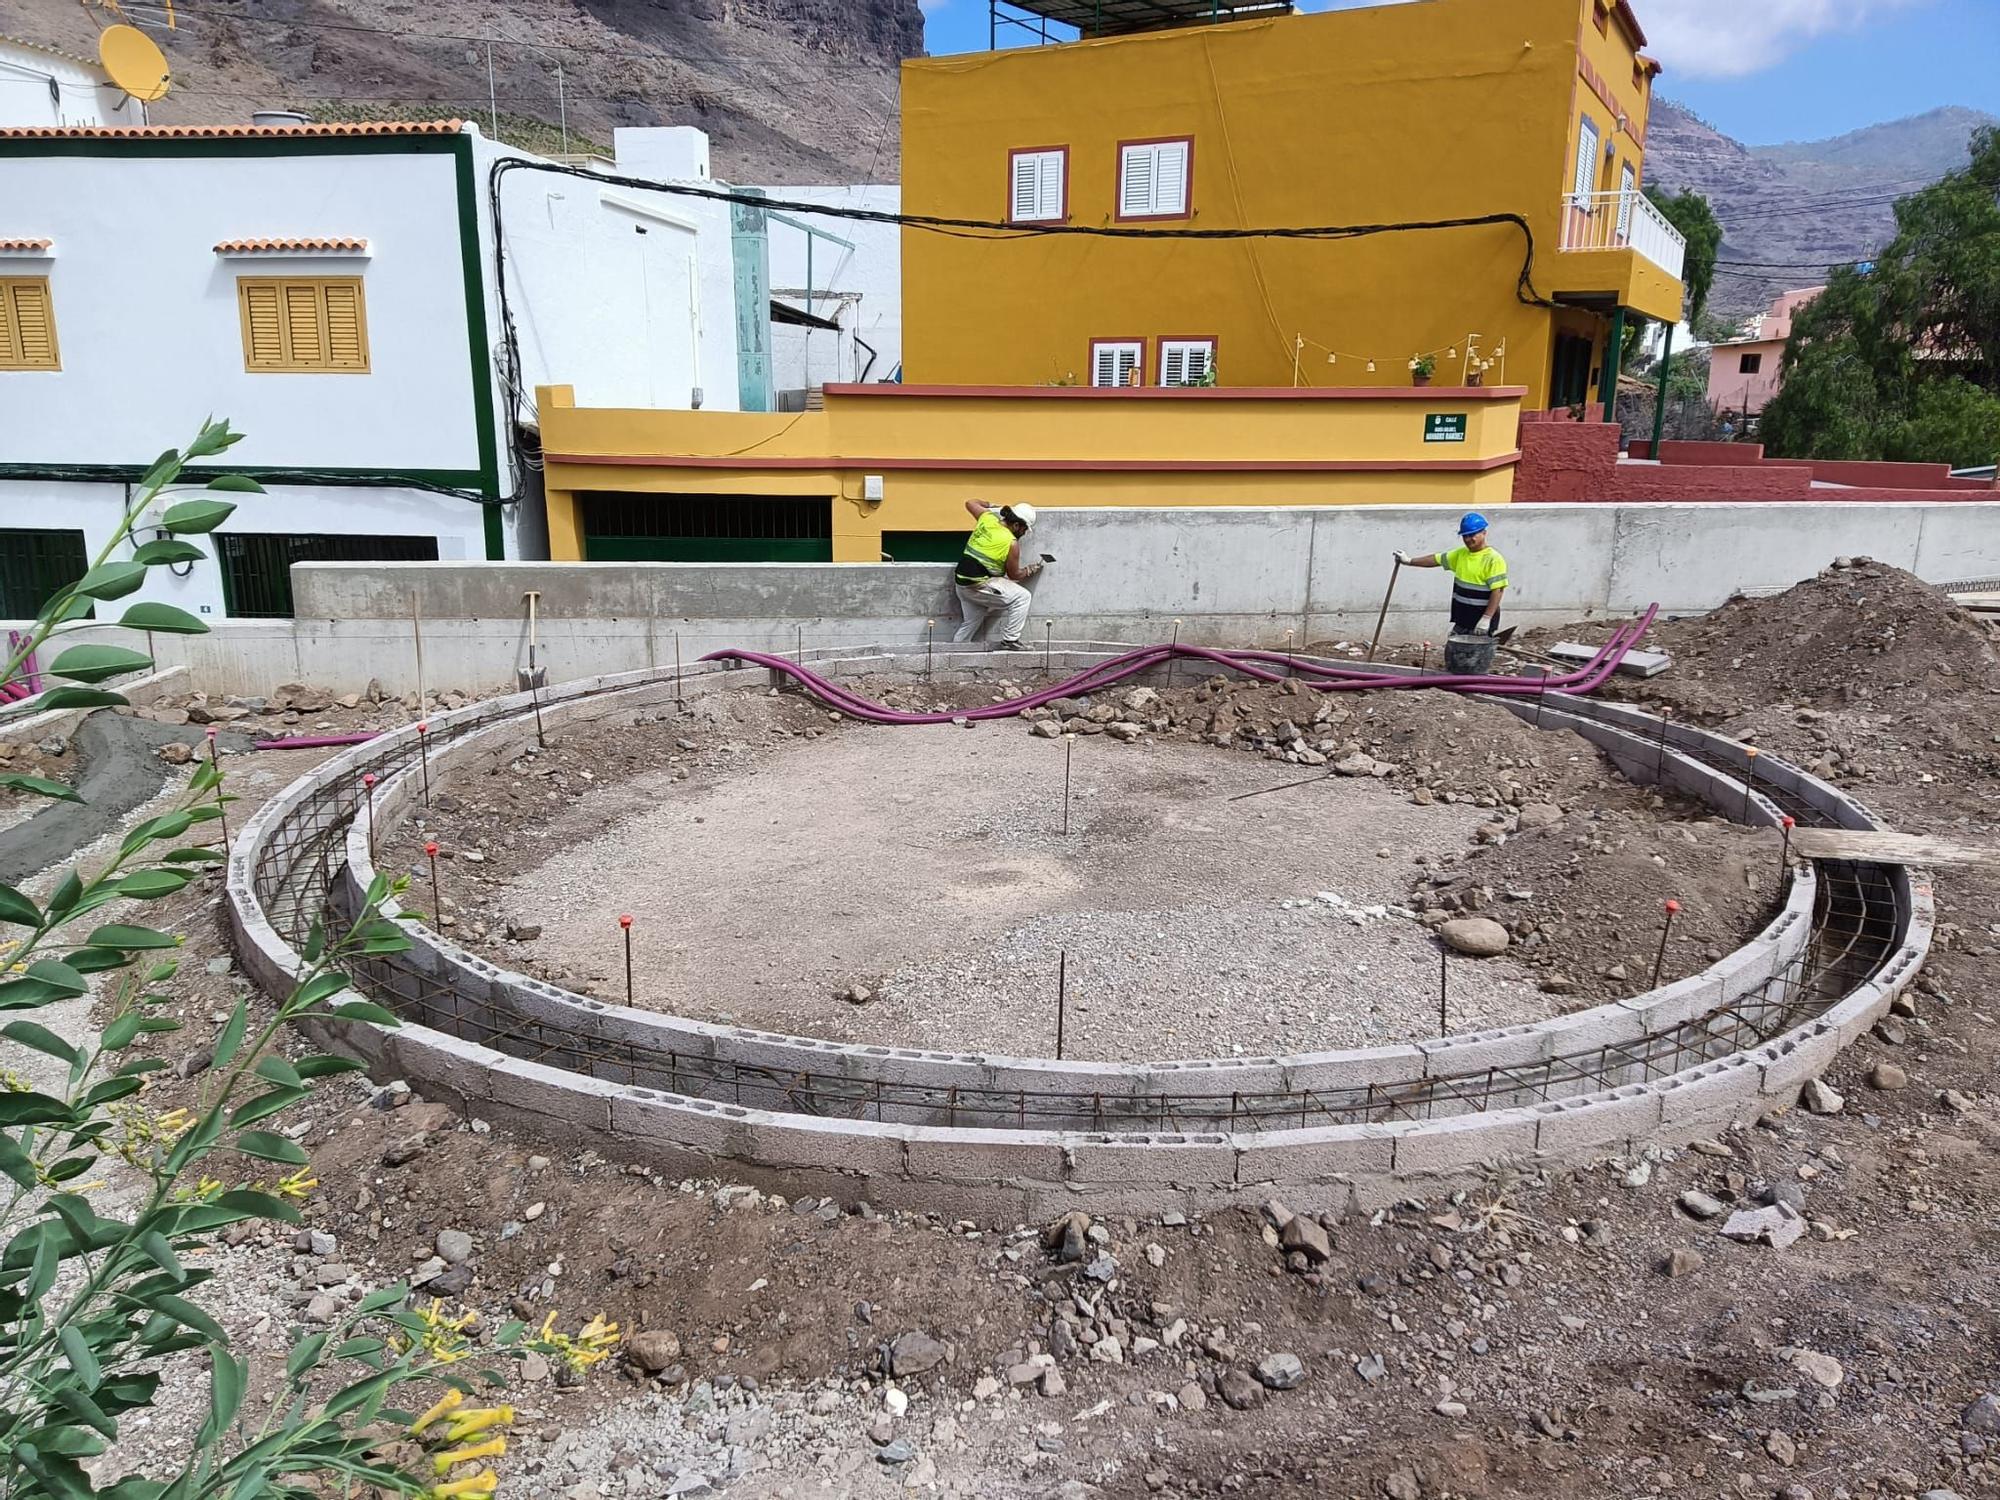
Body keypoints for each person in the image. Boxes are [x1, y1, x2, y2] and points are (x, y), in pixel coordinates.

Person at [1395, 512, 1508, 636]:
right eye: (1465, 536)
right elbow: (1436, 559)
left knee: (1475, 654)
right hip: (1463, 618)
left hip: (1480, 621)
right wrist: (1409, 561)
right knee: (1455, 652)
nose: (1468, 539)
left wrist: (1486, 618)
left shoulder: (1493, 559)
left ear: (1484, 533)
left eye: (1472, 535)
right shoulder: (1461, 554)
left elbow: (1498, 590)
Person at [952, 498, 1043, 649]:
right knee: (1022, 597)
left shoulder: (987, 519)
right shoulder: (1011, 543)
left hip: (962, 584)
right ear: (1016, 525)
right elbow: (1015, 575)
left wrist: (990, 505)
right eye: (1024, 529)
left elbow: (970, 503)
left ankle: (954, 652)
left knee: (971, 622)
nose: (1025, 533)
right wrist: (1029, 570)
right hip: (978, 586)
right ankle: (1010, 640)